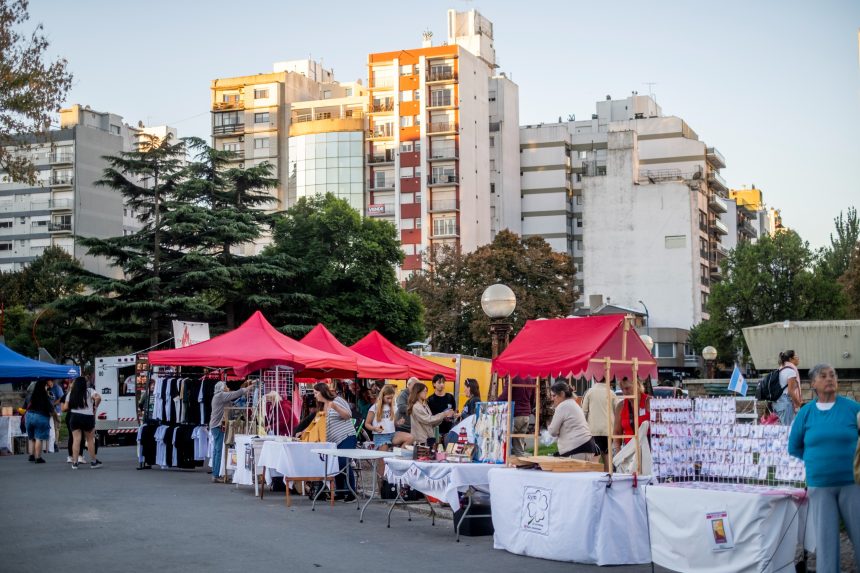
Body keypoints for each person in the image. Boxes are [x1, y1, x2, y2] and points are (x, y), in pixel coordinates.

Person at [788, 363, 859, 573]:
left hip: (852, 483)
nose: (829, 379)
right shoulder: (806, 413)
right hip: (820, 485)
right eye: (824, 376)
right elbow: (794, 446)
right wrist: (814, 461)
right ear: (814, 383)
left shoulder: (853, 408)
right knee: (826, 542)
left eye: (833, 375)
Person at [314, 382, 357, 502]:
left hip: (346, 436)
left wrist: (335, 407)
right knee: (336, 463)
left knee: (343, 461)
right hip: (333, 442)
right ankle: (340, 491)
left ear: (322, 392)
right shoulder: (321, 407)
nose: (315, 395)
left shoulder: (337, 400)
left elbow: (348, 415)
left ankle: (351, 491)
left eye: (316, 393)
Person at [210, 380, 250, 482]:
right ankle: (215, 475)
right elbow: (235, 394)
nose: (227, 387)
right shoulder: (221, 395)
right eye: (226, 386)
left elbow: (233, 402)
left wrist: (243, 389)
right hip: (218, 426)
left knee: (216, 450)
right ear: (222, 388)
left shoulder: (218, 397)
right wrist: (246, 389)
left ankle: (215, 473)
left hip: (215, 426)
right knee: (218, 451)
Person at [547, 382, 598, 457]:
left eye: (554, 396)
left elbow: (553, 431)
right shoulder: (573, 403)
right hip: (588, 446)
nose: (552, 399)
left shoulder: (562, 406)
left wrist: (549, 426)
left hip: (576, 449)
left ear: (562, 394)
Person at [63, 376, 102, 469]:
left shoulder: (71, 393)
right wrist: (95, 406)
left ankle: (75, 463)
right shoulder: (90, 391)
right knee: (89, 440)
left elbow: (65, 408)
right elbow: (98, 398)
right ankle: (93, 462)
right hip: (87, 417)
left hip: (74, 416)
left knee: (76, 440)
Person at [408, 382, 456, 446]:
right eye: (424, 391)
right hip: (420, 440)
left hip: (428, 438)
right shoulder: (416, 406)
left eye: (426, 391)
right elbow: (428, 420)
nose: (426, 393)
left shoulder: (424, 405)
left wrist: (443, 417)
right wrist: (444, 414)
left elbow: (432, 423)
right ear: (418, 392)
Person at [497, 377, 534, 457]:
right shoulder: (530, 377)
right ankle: (521, 466)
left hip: (515, 413)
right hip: (526, 414)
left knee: (505, 445)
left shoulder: (512, 376)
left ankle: (507, 466)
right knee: (519, 447)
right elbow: (533, 397)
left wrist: (495, 402)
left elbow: (505, 395)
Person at [612, 377, 650, 452]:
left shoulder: (649, 402)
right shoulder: (620, 406)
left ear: (637, 385)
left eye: (627, 388)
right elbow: (617, 432)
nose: (625, 392)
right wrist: (618, 453)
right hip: (629, 451)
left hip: (649, 449)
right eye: (622, 389)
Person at [581, 378, 616, 455]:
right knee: (607, 456)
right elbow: (617, 411)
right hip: (609, 430)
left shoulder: (589, 392)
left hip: (593, 430)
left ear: (594, 379)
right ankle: (608, 467)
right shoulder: (611, 393)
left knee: (595, 456)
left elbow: (584, 412)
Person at [25, 379, 53, 464]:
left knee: (31, 437)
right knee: (38, 438)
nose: (47, 387)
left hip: (29, 416)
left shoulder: (30, 396)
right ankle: (38, 457)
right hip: (40, 417)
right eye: (46, 386)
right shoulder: (45, 396)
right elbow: (51, 409)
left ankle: (31, 455)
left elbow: (25, 406)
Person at [427, 374, 457, 443]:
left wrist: (452, 415)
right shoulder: (430, 399)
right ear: (434, 384)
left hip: (449, 431)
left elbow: (454, 412)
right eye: (439, 382)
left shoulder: (450, 397)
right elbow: (429, 417)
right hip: (436, 432)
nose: (442, 385)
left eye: (443, 382)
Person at [774, 350, 801, 426]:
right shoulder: (791, 371)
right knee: (788, 429)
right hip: (786, 402)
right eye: (796, 356)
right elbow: (790, 391)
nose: (798, 358)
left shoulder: (780, 369)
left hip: (778, 403)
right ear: (790, 359)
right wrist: (798, 404)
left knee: (784, 428)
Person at [366, 384, 397, 449]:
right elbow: (367, 424)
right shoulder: (374, 407)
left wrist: (398, 423)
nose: (390, 400)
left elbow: (393, 423)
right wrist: (374, 428)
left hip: (392, 433)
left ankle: (398, 456)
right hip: (380, 436)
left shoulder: (394, 406)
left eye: (391, 398)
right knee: (382, 457)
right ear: (382, 396)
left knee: (409, 438)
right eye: (388, 398)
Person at [393, 377, 418, 446]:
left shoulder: (415, 395)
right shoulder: (403, 394)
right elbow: (401, 407)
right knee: (403, 445)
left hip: (411, 427)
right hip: (402, 426)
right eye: (414, 385)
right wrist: (415, 409)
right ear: (408, 385)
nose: (416, 387)